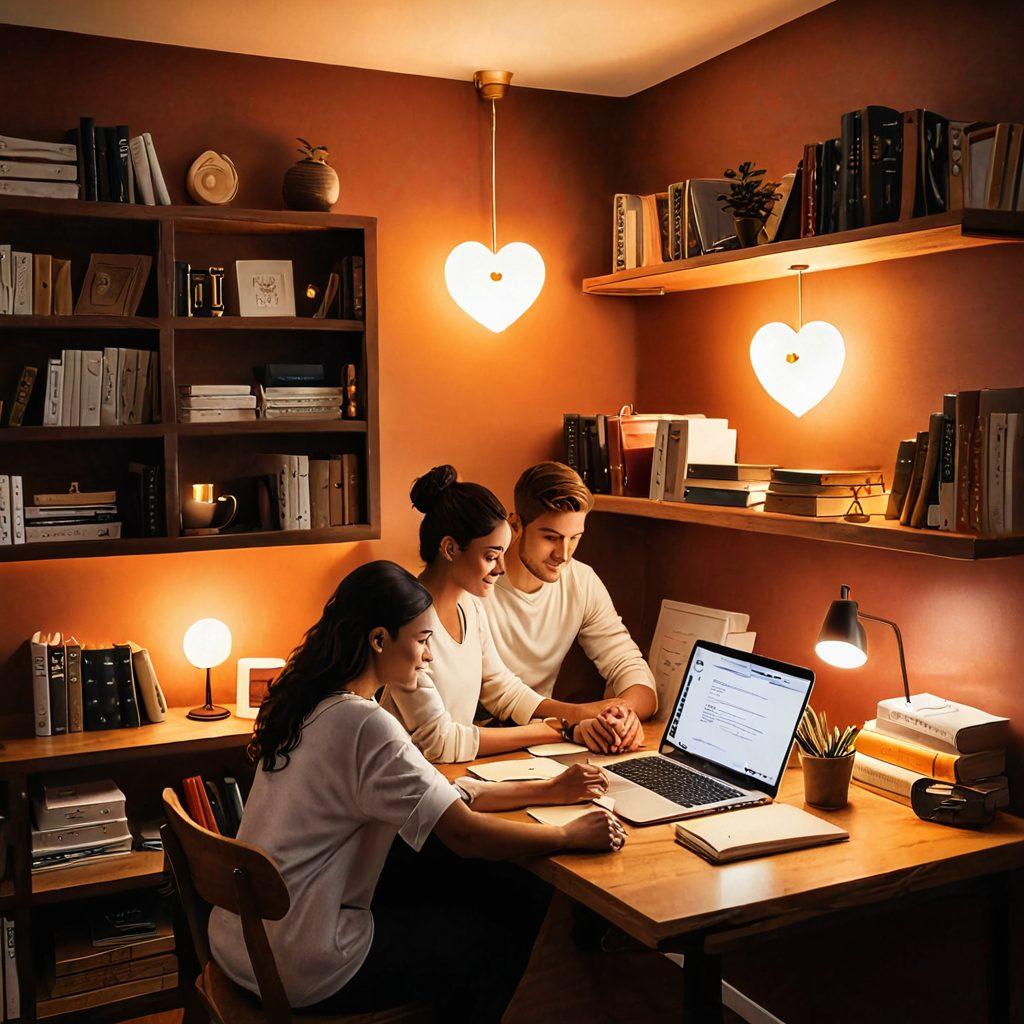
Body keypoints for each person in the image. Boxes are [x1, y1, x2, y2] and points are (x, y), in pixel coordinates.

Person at [208, 560, 624, 1022]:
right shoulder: (364, 724)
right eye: (423, 641)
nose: (429, 657)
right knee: (509, 905)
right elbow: (465, 834)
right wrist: (570, 837)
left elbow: (440, 797)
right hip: (305, 963)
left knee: (466, 869)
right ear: (380, 639)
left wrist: (549, 789)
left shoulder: (307, 700)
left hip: (244, 940)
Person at [384, 465, 643, 763]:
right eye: (491, 556)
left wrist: (579, 717)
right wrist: (563, 729)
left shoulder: (468, 607)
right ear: (451, 549)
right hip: (405, 786)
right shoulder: (407, 624)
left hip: (448, 776)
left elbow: (502, 688)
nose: (501, 568)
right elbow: (440, 742)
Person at [484, 461, 658, 750]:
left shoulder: (581, 581)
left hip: (548, 742)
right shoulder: (478, 586)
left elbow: (632, 670)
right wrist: (578, 715)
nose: (562, 554)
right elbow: (497, 694)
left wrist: (622, 715)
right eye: (551, 537)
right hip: (479, 743)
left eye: (574, 538)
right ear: (515, 525)